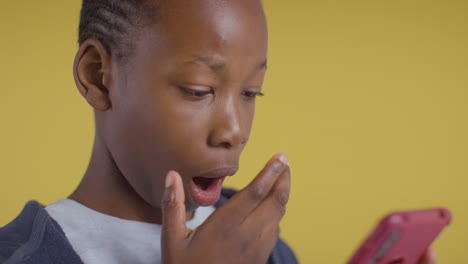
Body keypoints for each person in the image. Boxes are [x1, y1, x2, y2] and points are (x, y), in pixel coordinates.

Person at [0, 0, 436, 263]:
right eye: (198, 90)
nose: (233, 130)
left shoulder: (258, 244)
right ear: (98, 76)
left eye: (251, 93)